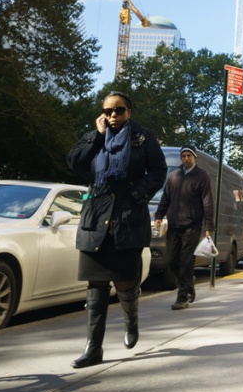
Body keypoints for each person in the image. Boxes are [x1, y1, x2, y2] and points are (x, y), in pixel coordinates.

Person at [67, 91, 167, 368]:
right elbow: (74, 163)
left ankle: (131, 321)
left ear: (129, 112)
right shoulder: (94, 137)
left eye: (118, 110)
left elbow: (158, 171)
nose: (113, 116)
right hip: (96, 216)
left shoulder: (143, 138)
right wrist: (97, 137)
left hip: (127, 216)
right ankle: (93, 348)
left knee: (124, 281)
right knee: (96, 283)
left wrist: (137, 195)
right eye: (107, 111)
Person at [154, 145, 215, 311]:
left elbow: (208, 202)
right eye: (184, 156)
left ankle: (182, 297)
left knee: (186, 261)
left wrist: (209, 225)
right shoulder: (174, 176)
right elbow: (165, 198)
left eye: (189, 156)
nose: (186, 158)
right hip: (174, 225)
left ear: (194, 157)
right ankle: (188, 284)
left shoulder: (202, 176)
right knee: (171, 260)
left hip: (192, 225)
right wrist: (159, 215)